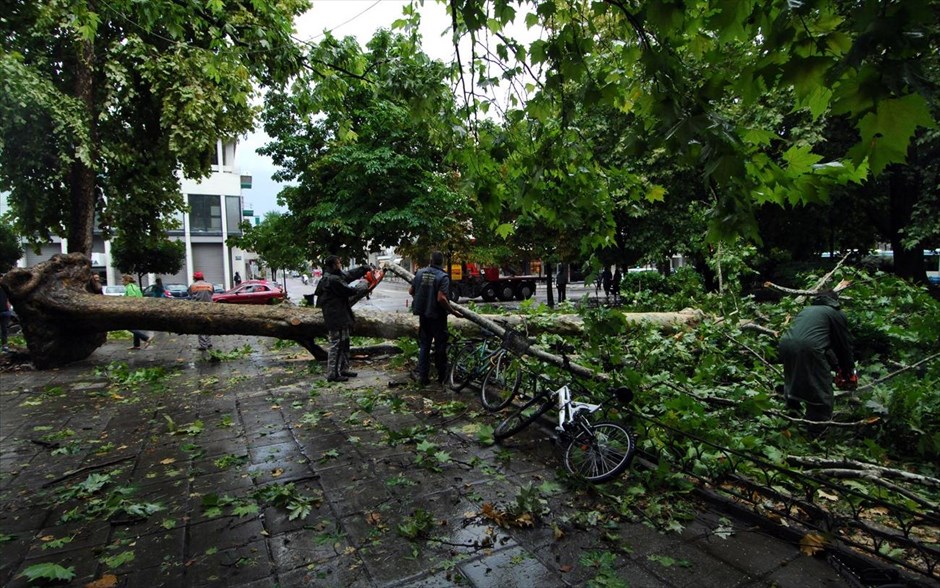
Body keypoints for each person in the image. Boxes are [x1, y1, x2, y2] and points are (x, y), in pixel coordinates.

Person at [778, 290, 856, 437]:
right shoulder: (835, 313)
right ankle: (817, 433)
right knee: (821, 392)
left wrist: (837, 367)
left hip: (786, 345)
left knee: (793, 381)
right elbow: (843, 345)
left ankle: (791, 419)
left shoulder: (807, 310)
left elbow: (824, 345)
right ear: (835, 301)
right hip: (809, 348)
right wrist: (848, 370)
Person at [316, 256, 375, 382]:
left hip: (340, 315)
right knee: (337, 344)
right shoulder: (332, 280)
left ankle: (343, 368)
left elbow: (349, 275)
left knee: (344, 343)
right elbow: (349, 290)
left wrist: (364, 269)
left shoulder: (334, 276)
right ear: (332, 265)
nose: (340, 264)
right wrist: (364, 284)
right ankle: (333, 374)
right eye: (338, 263)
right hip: (335, 317)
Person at [410, 251, 451, 385]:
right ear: (442, 261)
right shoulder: (443, 276)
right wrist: (452, 311)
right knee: (440, 346)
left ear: (431, 260)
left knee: (424, 345)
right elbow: (441, 298)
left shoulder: (420, 273)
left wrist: (422, 300)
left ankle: (423, 377)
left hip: (424, 315)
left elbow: (411, 291)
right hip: (438, 316)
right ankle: (442, 377)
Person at [122, 274, 153, 350]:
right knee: (134, 326)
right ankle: (137, 345)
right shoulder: (134, 286)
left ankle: (146, 338)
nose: (121, 282)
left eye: (123, 280)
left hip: (133, 309)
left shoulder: (130, 287)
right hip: (138, 308)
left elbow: (132, 298)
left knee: (128, 326)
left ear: (127, 280)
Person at [189, 271, 215, 350]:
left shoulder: (193, 286)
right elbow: (212, 293)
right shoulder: (210, 285)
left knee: (200, 326)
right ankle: (209, 342)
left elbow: (190, 294)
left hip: (198, 308)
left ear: (194, 278)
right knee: (208, 325)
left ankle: (203, 345)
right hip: (209, 307)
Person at [1, 279, 11, 352]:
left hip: (5, 311)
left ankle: (4, 346)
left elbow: (8, 299)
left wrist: (9, 308)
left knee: (4, 330)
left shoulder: (5, 289)